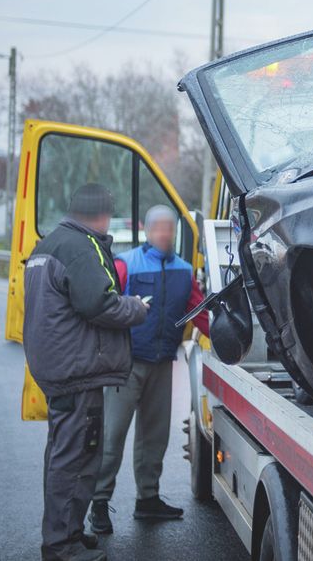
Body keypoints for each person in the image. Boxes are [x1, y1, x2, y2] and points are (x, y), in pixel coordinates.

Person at [24, 184, 149, 561]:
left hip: (59, 368)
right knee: (75, 458)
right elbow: (100, 304)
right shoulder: (83, 246)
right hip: (77, 371)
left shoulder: (49, 244)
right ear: (102, 214)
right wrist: (137, 308)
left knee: (66, 455)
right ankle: (61, 546)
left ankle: (70, 534)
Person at [88, 205, 209, 535]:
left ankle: (148, 499)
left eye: (169, 229)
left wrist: (232, 338)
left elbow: (200, 314)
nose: (164, 234)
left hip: (161, 365)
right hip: (125, 365)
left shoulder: (185, 271)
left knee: (154, 437)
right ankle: (99, 503)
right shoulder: (125, 264)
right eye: (158, 228)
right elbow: (104, 306)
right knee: (112, 436)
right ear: (146, 230)